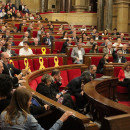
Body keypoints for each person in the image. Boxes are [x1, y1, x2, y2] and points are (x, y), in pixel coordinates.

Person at [0, 87, 72, 130]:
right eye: (30, 100)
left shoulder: (3, 114)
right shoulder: (28, 118)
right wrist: (61, 119)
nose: (31, 103)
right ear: (24, 102)